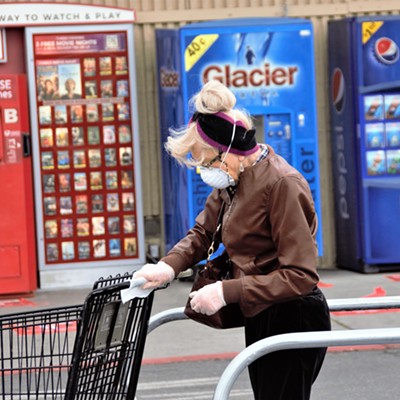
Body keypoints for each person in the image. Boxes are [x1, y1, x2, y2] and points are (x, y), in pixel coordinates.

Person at [133, 80, 331, 400]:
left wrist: (227, 290)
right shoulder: (234, 180)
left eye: (206, 161)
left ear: (229, 152)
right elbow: (203, 233)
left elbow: (301, 275)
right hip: (262, 310)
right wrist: (167, 267)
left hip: (292, 314)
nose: (203, 170)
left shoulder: (282, 184)